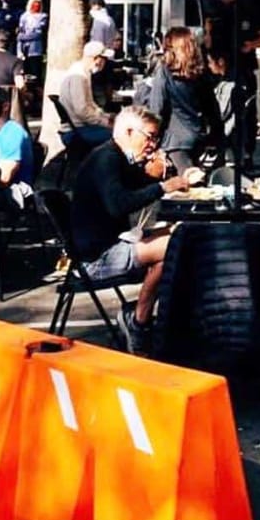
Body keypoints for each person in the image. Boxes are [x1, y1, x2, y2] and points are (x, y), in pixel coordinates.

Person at [70, 105, 201, 355]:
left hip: (110, 244)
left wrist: (158, 177)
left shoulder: (116, 157)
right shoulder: (106, 159)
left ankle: (140, 316)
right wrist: (163, 187)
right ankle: (139, 322)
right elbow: (119, 204)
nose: (153, 144)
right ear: (129, 132)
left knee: (178, 237)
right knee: (180, 242)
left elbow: (133, 187)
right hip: (98, 257)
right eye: (150, 136)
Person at [203, 0, 260, 169]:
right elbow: (208, 42)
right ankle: (224, 151)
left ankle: (246, 154)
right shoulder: (215, 13)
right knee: (222, 112)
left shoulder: (248, 10)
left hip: (243, 67)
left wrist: (250, 46)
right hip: (221, 71)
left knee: (245, 113)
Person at [147, 26, 222, 174]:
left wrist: (152, 140)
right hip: (198, 136)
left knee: (187, 183)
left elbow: (157, 109)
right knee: (195, 178)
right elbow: (212, 108)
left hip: (174, 140)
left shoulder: (165, 72)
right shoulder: (200, 74)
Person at [58, 41, 115, 147]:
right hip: (77, 130)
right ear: (96, 59)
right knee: (119, 136)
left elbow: (89, 105)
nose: (105, 62)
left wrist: (105, 116)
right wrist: (105, 122)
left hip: (80, 127)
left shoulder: (83, 72)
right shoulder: (78, 77)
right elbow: (82, 111)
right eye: (104, 59)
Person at [16, 0, 48, 81]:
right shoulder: (24, 16)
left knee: (35, 75)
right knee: (24, 74)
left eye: (38, 3)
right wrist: (19, 51)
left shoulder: (43, 17)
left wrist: (24, 37)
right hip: (25, 50)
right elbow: (19, 35)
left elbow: (38, 34)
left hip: (36, 50)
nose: (36, 5)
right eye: (34, 3)